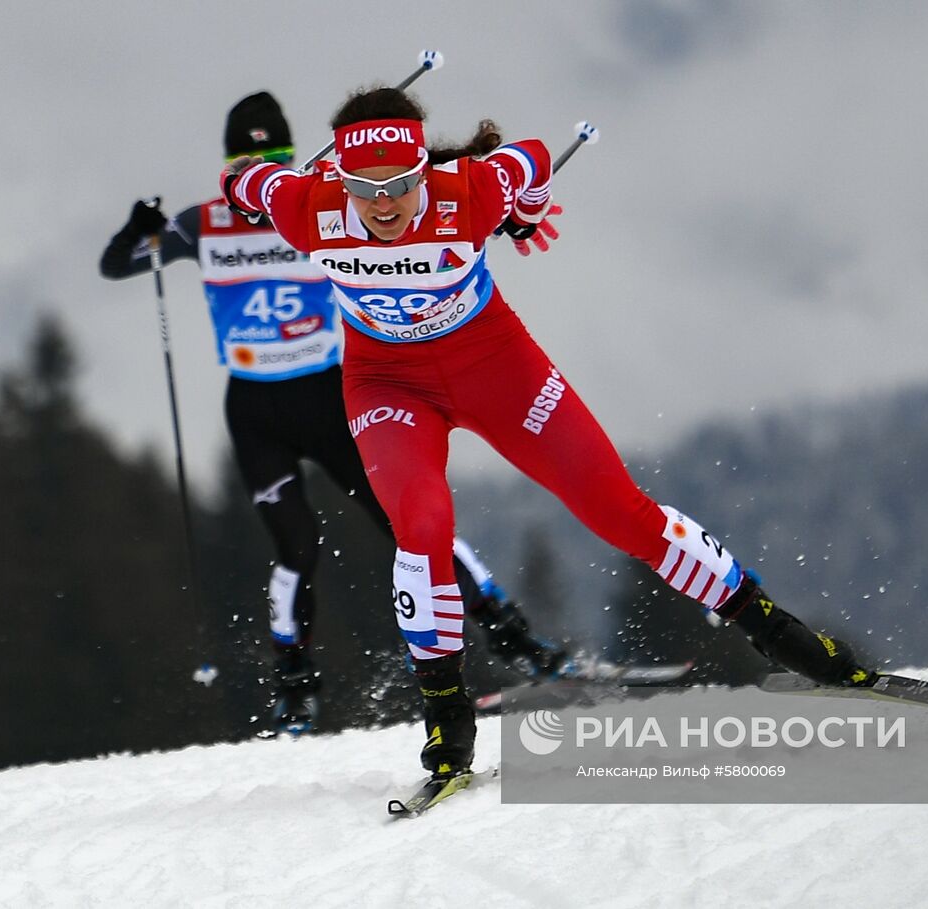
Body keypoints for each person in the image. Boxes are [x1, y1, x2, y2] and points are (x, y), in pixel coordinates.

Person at [220, 86, 877, 777]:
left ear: (426, 169)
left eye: (402, 184)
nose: (383, 205)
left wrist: (526, 212)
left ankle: (778, 633)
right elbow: (248, 182)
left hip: (494, 366)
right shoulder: (306, 205)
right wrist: (241, 188)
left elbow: (530, 160)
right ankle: (447, 718)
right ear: (341, 181)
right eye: (364, 188)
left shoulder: (470, 189)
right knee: (421, 523)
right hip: (388, 385)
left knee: (619, 512)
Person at [99, 91, 570, 736]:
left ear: (291, 159)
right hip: (256, 409)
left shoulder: (323, 207)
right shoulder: (205, 223)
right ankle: (293, 683)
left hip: (329, 394)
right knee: (297, 546)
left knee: (407, 518)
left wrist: (502, 213)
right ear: (230, 164)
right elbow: (118, 264)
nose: (257, 168)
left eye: (274, 156)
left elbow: (420, 215)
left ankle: (509, 631)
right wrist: (138, 227)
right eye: (246, 158)